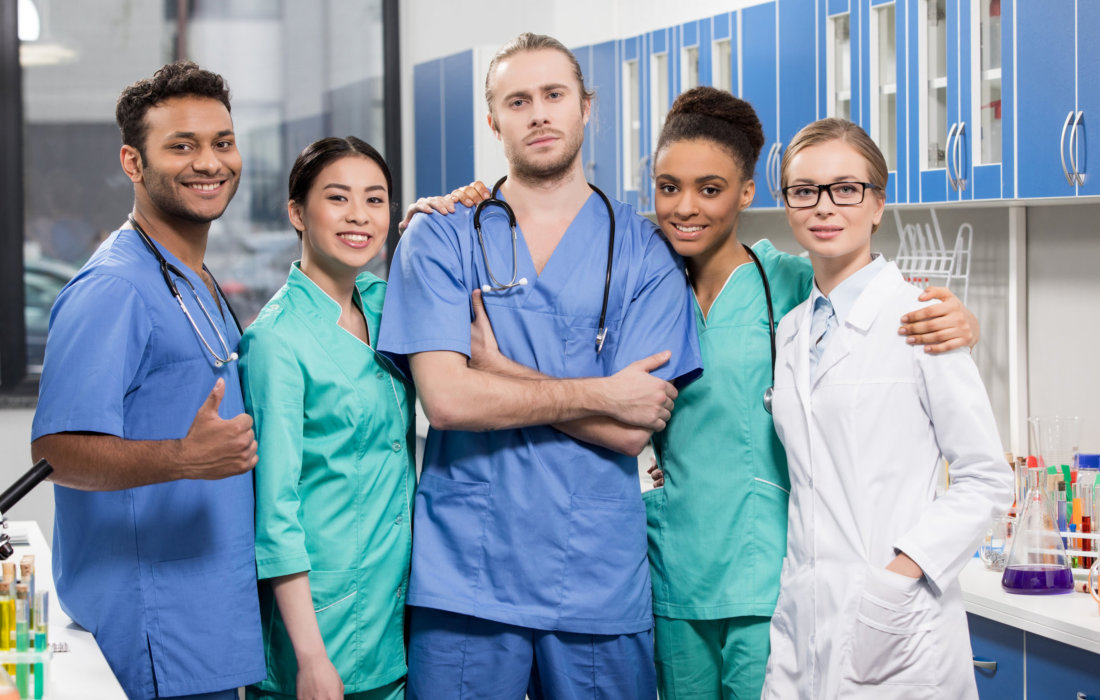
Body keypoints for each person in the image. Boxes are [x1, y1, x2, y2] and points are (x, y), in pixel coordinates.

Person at [429, 86, 980, 700]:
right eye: (668, 187)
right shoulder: (631, 274)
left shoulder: (790, 283)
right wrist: (461, 200)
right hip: (669, 572)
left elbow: (869, 303)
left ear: (747, 193)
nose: (685, 207)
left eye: (710, 189)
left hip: (768, 578)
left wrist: (959, 320)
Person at [378, 32, 701, 699]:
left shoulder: (645, 253)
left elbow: (632, 428)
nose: (539, 113)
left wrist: (497, 371)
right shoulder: (440, 237)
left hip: (594, 577)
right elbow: (447, 401)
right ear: (493, 121)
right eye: (517, 100)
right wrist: (601, 392)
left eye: (554, 95)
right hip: (467, 577)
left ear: (587, 107)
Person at [30, 62, 264, 699]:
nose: (209, 162)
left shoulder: (191, 275)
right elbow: (56, 450)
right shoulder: (113, 287)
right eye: (181, 146)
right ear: (133, 163)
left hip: (207, 613)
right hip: (155, 624)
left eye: (222, 142)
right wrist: (185, 458)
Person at [761, 118, 1013, 699]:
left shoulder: (921, 320)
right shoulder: (793, 330)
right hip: (803, 628)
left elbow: (986, 479)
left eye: (846, 189)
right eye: (805, 191)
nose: (825, 207)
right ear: (789, 205)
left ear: (878, 203)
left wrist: (901, 574)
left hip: (901, 627)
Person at [239, 137, 414, 700]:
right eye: (338, 198)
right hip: (322, 630)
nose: (360, 216)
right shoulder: (276, 340)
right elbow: (275, 512)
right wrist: (312, 658)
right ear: (297, 212)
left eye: (376, 199)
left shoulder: (388, 305)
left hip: (396, 616)